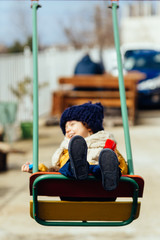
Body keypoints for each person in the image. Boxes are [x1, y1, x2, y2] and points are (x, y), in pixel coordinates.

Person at [22, 102, 128, 191]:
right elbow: (53, 171)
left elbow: (123, 169)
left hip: (102, 190)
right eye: (66, 127)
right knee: (66, 166)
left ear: (89, 127)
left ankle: (105, 175)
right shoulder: (66, 149)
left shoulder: (106, 145)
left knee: (105, 166)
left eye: (72, 124)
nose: (67, 129)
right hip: (72, 189)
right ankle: (78, 166)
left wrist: (116, 161)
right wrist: (36, 168)